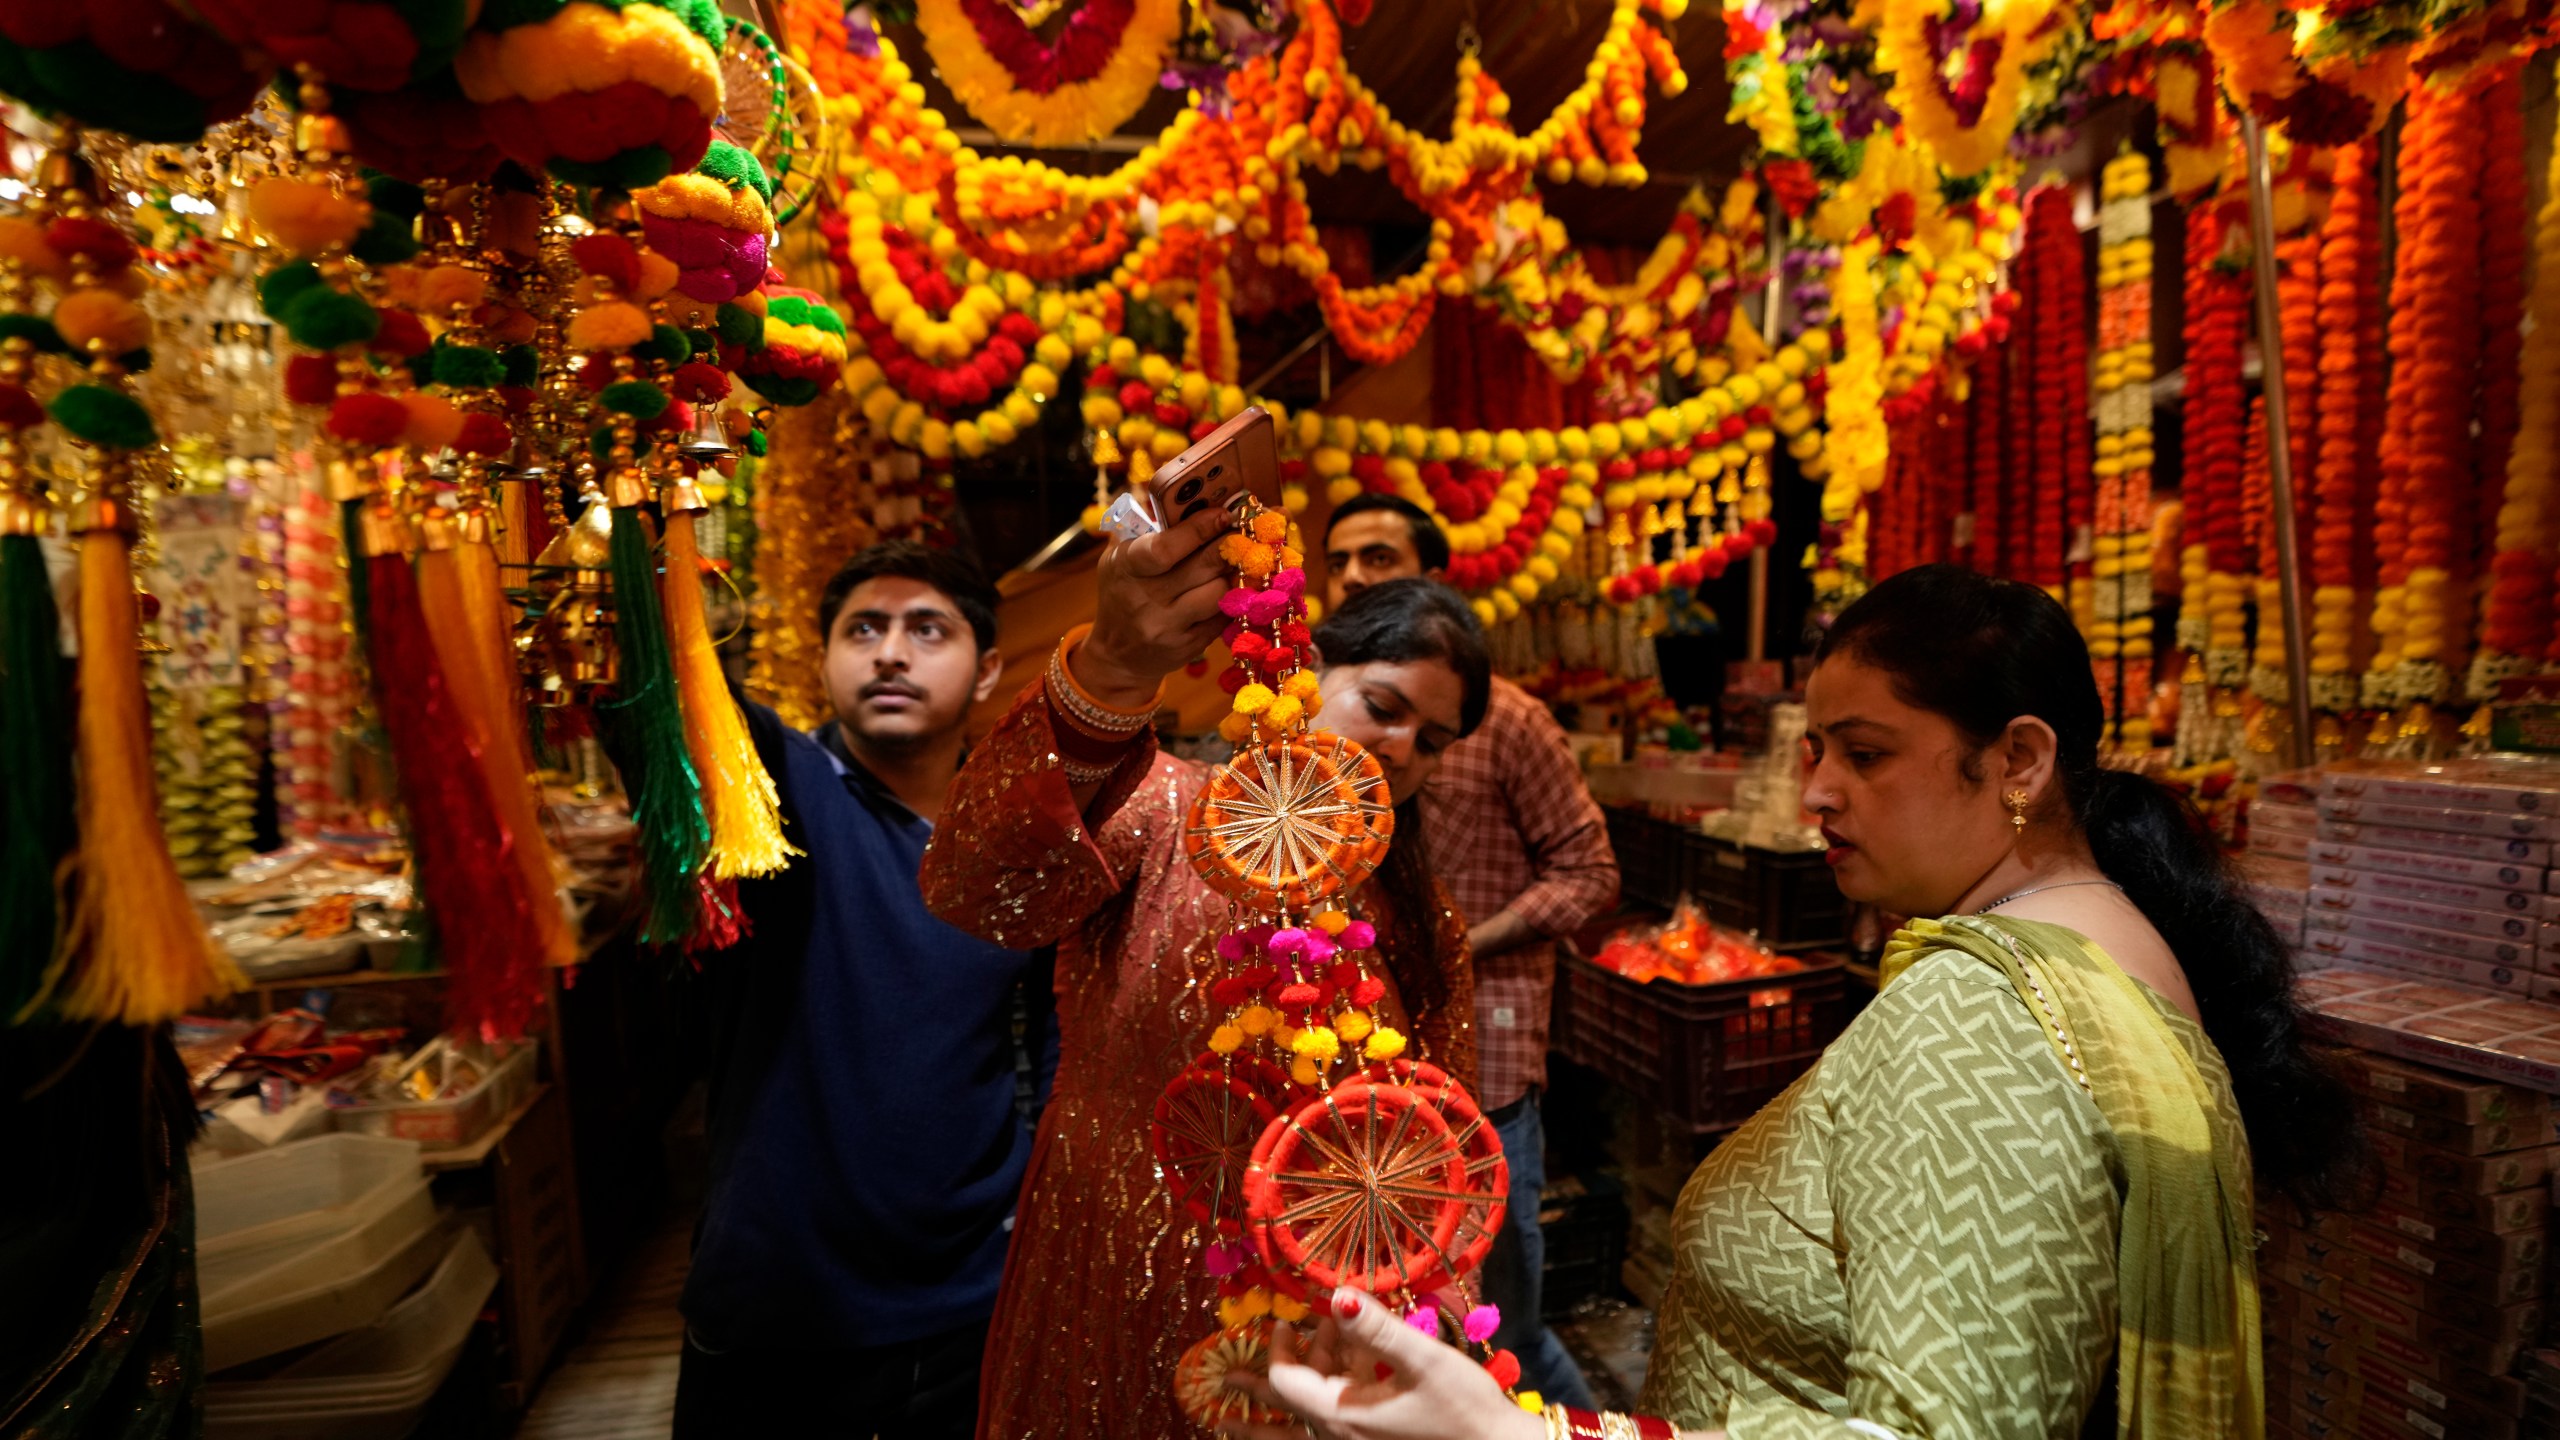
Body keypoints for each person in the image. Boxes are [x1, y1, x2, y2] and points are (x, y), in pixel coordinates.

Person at [1224, 564, 2366, 1440]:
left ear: (2017, 761)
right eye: (1814, 749)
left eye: (1865, 756)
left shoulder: (1985, 1022)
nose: (1814, 793)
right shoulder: (2089, 956)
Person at [920, 498, 1493, 1440]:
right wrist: (1107, 669)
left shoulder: (1424, 923)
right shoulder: (1168, 809)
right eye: (1383, 707)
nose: (1401, 749)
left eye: (1433, 742)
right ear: (1308, 673)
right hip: (1108, 1267)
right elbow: (978, 888)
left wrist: (1429, 1325)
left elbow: (1439, 1149)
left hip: (1316, 1326)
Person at [674, 542, 1052, 1439]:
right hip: (782, 1311)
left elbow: (1053, 1045)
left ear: (989, 668)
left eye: (928, 630)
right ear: (824, 661)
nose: (890, 653)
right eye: (863, 630)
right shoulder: (775, 792)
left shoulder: (1016, 845)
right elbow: (674, 702)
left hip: (973, 1307)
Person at [1323, 492, 1618, 1407]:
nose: (1354, 578)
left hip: (1484, 1066)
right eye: (1339, 563)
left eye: (1379, 558)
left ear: (1432, 577)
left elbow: (1590, 873)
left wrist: (1461, 947)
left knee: (1502, 1319)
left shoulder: (1510, 721)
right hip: (1366, 1098)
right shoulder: (1312, 750)